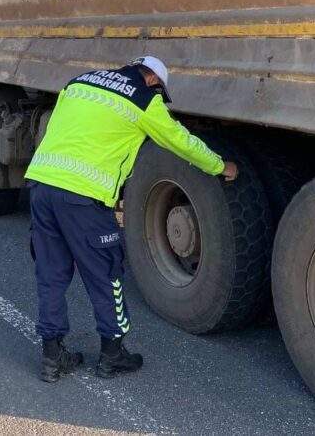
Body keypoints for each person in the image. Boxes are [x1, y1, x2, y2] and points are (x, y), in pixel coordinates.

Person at [25, 56, 238, 382]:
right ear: (153, 80)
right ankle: (112, 357)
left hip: (42, 184)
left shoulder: (81, 81)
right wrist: (219, 166)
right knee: (105, 275)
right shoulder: (143, 99)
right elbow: (180, 141)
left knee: (50, 275)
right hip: (84, 197)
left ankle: (52, 358)